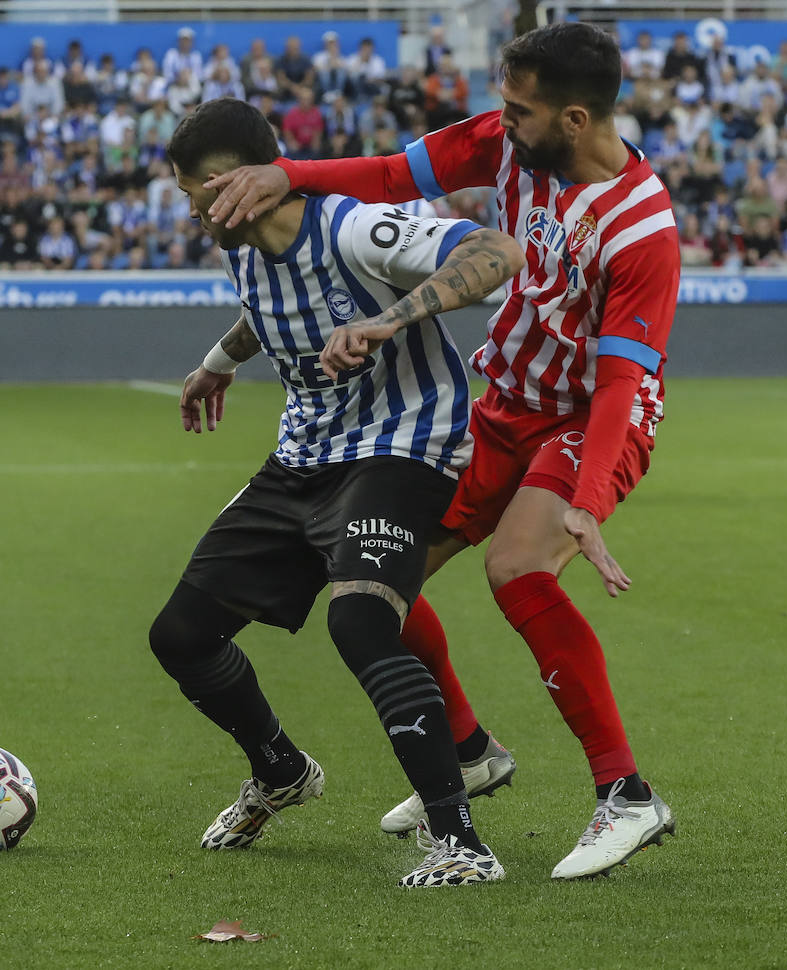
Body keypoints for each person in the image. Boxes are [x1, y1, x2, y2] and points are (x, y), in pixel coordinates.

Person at [206, 21, 680, 880]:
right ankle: (468, 750)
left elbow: (618, 382)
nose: (503, 119)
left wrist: (587, 501)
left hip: (588, 418)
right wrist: (288, 173)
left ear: (574, 119)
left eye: (519, 108)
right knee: (377, 580)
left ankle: (627, 794)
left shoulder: (641, 229)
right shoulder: (511, 144)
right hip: (503, 403)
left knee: (517, 568)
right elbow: (394, 175)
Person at [152, 97, 526, 887]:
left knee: (359, 621)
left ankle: (462, 844)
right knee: (180, 635)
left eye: (193, 196)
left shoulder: (353, 227)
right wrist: (218, 362)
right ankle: (281, 771)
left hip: (403, 446)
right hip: (304, 458)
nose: (191, 214)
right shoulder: (242, 245)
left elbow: (496, 252)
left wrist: (391, 320)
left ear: (228, 186)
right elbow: (269, 308)